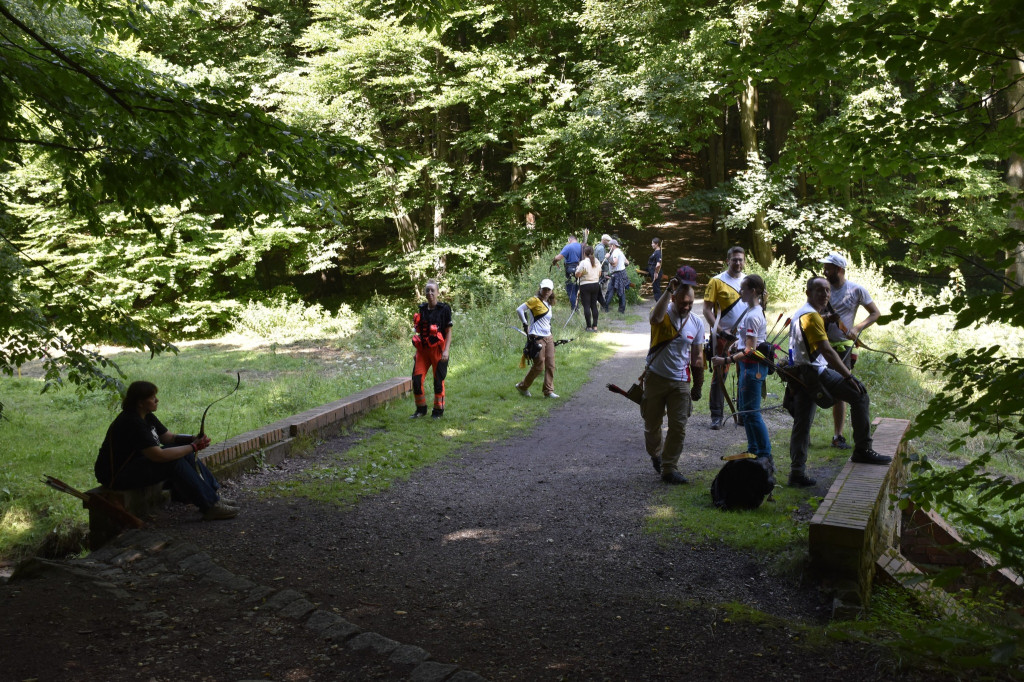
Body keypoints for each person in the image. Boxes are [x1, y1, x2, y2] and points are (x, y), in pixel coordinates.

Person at [785, 276, 891, 487]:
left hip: (800, 373)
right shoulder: (811, 317)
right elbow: (827, 351)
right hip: (815, 371)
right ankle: (862, 449)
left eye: (827, 290)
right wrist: (848, 376)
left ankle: (796, 472)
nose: (825, 294)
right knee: (859, 394)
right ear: (808, 293)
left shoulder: (805, 313)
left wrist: (826, 319)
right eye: (819, 290)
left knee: (802, 423)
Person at [94, 381, 237, 521]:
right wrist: (193, 447)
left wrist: (192, 439)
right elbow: (158, 456)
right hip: (117, 475)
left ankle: (213, 496)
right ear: (140, 403)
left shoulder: (146, 415)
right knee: (173, 462)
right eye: (152, 397)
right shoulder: (132, 422)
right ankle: (211, 506)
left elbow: (169, 438)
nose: (157, 400)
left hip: (135, 464)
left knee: (183, 453)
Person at [642, 267, 704, 484]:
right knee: (652, 425)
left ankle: (669, 468)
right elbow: (655, 318)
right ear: (674, 299)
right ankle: (656, 455)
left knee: (678, 427)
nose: (686, 307)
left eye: (690, 303)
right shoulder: (663, 311)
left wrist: (698, 384)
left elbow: (697, 356)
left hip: (680, 382)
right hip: (655, 377)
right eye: (683, 303)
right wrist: (668, 289)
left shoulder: (696, 323)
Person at [820, 252, 881, 450]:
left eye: (828, 268)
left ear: (839, 269)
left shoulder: (856, 290)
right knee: (811, 388)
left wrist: (856, 328)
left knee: (841, 391)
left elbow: (875, 313)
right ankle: (804, 431)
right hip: (819, 345)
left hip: (842, 347)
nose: (824, 271)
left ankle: (837, 435)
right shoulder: (822, 289)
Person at [711, 274, 771, 464]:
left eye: (743, 289)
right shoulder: (751, 311)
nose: (739, 291)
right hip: (748, 367)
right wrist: (736, 343)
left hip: (753, 368)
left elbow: (750, 350)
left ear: (752, 291)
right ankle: (753, 450)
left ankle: (765, 454)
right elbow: (748, 342)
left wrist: (725, 359)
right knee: (746, 412)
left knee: (752, 413)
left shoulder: (753, 315)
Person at [703, 245, 748, 430]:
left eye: (740, 260)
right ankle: (716, 415)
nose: (737, 263)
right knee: (720, 376)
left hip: (745, 337)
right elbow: (707, 310)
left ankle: (743, 414)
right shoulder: (717, 281)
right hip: (723, 337)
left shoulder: (749, 281)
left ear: (744, 261)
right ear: (728, 260)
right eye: (734, 259)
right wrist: (720, 331)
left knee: (745, 375)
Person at [411, 279, 453, 419]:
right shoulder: (422, 309)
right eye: (427, 290)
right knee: (416, 380)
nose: (430, 293)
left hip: (438, 350)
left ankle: (438, 411)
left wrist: (446, 351)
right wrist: (416, 353)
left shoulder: (444, 309)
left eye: (432, 290)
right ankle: (421, 409)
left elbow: (448, 332)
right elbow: (421, 332)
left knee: (438, 382)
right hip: (422, 351)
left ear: (437, 292)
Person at [516, 279, 559, 398]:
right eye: (544, 289)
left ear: (551, 291)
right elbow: (519, 309)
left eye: (548, 289)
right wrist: (525, 324)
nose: (546, 291)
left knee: (551, 365)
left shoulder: (549, 303)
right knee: (539, 366)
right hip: (537, 337)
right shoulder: (534, 300)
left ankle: (548, 391)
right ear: (540, 289)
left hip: (548, 337)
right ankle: (522, 386)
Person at [575, 244, 603, 331]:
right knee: (594, 305)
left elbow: (578, 275)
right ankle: (595, 326)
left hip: (585, 285)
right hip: (595, 284)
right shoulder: (597, 261)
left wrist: (577, 270)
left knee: (586, 306)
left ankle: (589, 326)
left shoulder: (583, 262)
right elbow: (600, 274)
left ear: (584, 253)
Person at [551, 235, 583, 310]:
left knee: (570, 289)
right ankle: (577, 306)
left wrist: (554, 260)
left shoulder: (569, 246)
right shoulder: (582, 246)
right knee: (577, 288)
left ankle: (574, 309)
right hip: (581, 269)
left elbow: (559, 257)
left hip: (571, 269)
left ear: (569, 240)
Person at [607, 239, 629, 314]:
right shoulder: (620, 252)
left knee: (612, 291)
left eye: (609, 246)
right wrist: (621, 266)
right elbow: (627, 262)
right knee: (620, 291)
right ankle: (621, 310)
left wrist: (608, 258)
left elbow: (614, 264)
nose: (608, 248)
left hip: (617, 274)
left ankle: (606, 308)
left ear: (613, 245)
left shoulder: (615, 252)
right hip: (621, 273)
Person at [595, 234, 612, 312]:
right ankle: (602, 306)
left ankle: (598, 305)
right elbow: (602, 260)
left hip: (598, 270)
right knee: (604, 288)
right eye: (608, 241)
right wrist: (610, 261)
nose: (609, 243)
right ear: (604, 240)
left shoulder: (597, 246)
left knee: (599, 288)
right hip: (603, 271)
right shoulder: (601, 248)